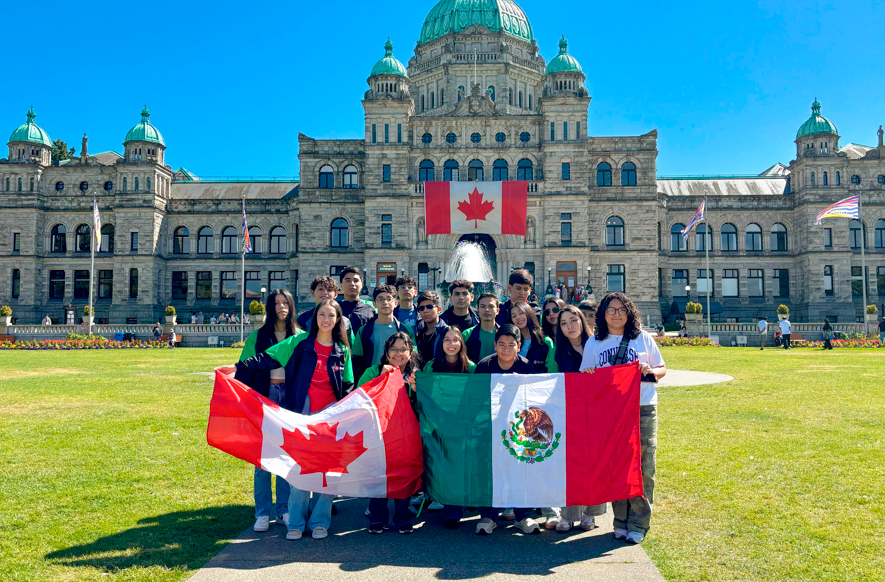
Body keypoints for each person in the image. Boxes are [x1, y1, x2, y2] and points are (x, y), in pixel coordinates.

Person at [235, 298, 354, 541]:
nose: (326, 320)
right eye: (322, 314)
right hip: (301, 415)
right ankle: (296, 522)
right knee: (300, 468)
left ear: (337, 319)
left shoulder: (342, 350)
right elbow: (267, 358)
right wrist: (236, 368)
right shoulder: (299, 342)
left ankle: (320, 521)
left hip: (330, 418)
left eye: (332, 315)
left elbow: (349, 386)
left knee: (327, 471)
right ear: (315, 318)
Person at [580, 292, 666, 546]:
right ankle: (620, 520)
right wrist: (588, 374)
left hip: (642, 408)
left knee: (643, 466)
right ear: (603, 314)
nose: (616, 314)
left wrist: (649, 371)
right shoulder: (595, 343)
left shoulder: (642, 339)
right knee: (617, 466)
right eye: (611, 310)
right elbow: (586, 377)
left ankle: (639, 522)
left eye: (621, 310)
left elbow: (662, 369)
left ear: (629, 313)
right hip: (611, 412)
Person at [238, 289, 300, 533]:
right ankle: (262, 512)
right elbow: (244, 368)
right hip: (266, 395)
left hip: (291, 397)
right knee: (263, 457)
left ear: (291, 306)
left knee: (287, 453)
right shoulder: (258, 336)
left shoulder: (301, 336)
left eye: (285, 302)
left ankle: (283, 509)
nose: (281, 307)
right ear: (269, 307)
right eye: (276, 303)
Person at [473, 325, 538, 535]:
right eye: (501, 344)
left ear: (519, 347)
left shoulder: (526, 366)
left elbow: (535, 399)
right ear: (495, 345)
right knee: (490, 470)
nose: (506, 349)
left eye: (511, 345)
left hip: (518, 428)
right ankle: (488, 515)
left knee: (521, 470)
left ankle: (523, 516)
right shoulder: (485, 365)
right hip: (490, 427)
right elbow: (474, 397)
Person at [548, 304, 606, 533]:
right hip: (569, 413)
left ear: (582, 320)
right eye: (563, 323)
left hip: (598, 413)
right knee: (570, 464)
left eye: (573, 320)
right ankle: (569, 513)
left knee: (596, 463)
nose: (569, 326)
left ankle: (591, 514)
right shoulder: (558, 352)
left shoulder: (598, 346)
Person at [357, 332, 422, 534]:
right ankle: (377, 517)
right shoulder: (373, 371)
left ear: (411, 353)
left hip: (406, 434)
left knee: (403, 474)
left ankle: (402, 516)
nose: (398, 353)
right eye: (393, 349)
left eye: (403, 349)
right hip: (379, 433)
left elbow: (425, 407)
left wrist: (417, 390)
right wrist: (380, 379)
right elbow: (358, 399)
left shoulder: (417, 375)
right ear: (386, 352)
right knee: (379, 475)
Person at [422, 326, 477, 529]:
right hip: (437, 425)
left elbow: (475, 398)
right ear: (440, 343)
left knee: (458, 468)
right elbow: (425, 396)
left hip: (462, 426)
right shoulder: (431, 366)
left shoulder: (470, 367)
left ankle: (454, 512)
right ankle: (441, 500)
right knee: (441, 468)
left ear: (462, 343)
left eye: (456, 340)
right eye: (447, 340)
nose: (451, 344)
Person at [352, 285, 415, 381]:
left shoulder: (406, 330)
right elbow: (356, 361)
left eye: (389, 299)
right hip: (371, 381)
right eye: (380, 299)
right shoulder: (364, 331)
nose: (385, 303)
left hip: (401, 381)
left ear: (395, 303)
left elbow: (413, 356)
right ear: (375, 304)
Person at [509, 302, 557, 373]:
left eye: (521, 313)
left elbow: (552, 369)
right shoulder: (511, 341)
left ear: (529, 313)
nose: (518, 317)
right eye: (514, 316)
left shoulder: (545, 341)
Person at [462, 293, 500, 363]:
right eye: (483, 306)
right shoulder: (467, 334)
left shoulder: (503, 334)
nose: (487, 310)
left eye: (491, 306)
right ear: (478, 310)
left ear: (497, 311)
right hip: (473, 373)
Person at [415, 290, 449, 366]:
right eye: (421, 308)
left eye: (429, 307)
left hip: (440, 375)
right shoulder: (419, 334)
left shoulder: (447, 332)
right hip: (422, 375)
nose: (425, 311)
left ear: (439, 309)